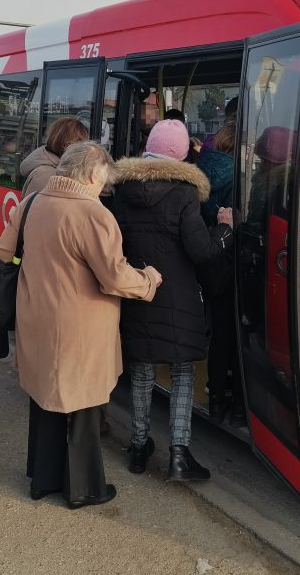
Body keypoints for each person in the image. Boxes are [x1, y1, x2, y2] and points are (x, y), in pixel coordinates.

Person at [0, 141, 162, 508]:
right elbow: (115, 278)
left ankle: (42, 480)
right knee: (84, 409)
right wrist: (148, 279)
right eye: (103, 179)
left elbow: (4, 252)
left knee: (45, 401)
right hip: (79, 328)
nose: (104, 187)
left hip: (36, 317)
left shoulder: (33, 201)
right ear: (91, 174)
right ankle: (84, 488)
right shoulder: (94, 214)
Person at [110, 119, 234, 481]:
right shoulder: (183, 194)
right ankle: (179, 455)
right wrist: (225, 229)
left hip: (136, 294)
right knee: (182, 373)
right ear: (182, 156)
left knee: (143, 372)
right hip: (179, 301)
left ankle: (137, 448)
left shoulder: (122, 192)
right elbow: (203, 251)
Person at [196, 123, 244, 425]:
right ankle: (237, 403)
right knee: (233, 333)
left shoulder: (197, 169)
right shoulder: (238, 178)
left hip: (206, 258)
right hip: (230, 259)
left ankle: (214, 398)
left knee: (219, 332)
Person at [19, 117, 89, 198]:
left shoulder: (56, 167)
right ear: (68, 144)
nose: (83, 149)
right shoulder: (46, 175)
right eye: (81, 143)